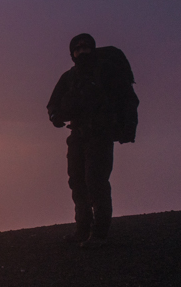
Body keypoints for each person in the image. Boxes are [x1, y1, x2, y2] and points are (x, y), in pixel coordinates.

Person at [46, 33, 137, 249]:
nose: (82, 51)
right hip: (77, 135)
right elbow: (52, 104)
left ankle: (99, 234)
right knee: (77, 181)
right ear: (72, 53)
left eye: (85, 47)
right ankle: (82, 230)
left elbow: (128, 100)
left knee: (95, 182)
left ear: (92, 49)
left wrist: (126, 129)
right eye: (77, 49)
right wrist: (55, 117)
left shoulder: (107, 73)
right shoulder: (69, 77)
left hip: (100, 134)